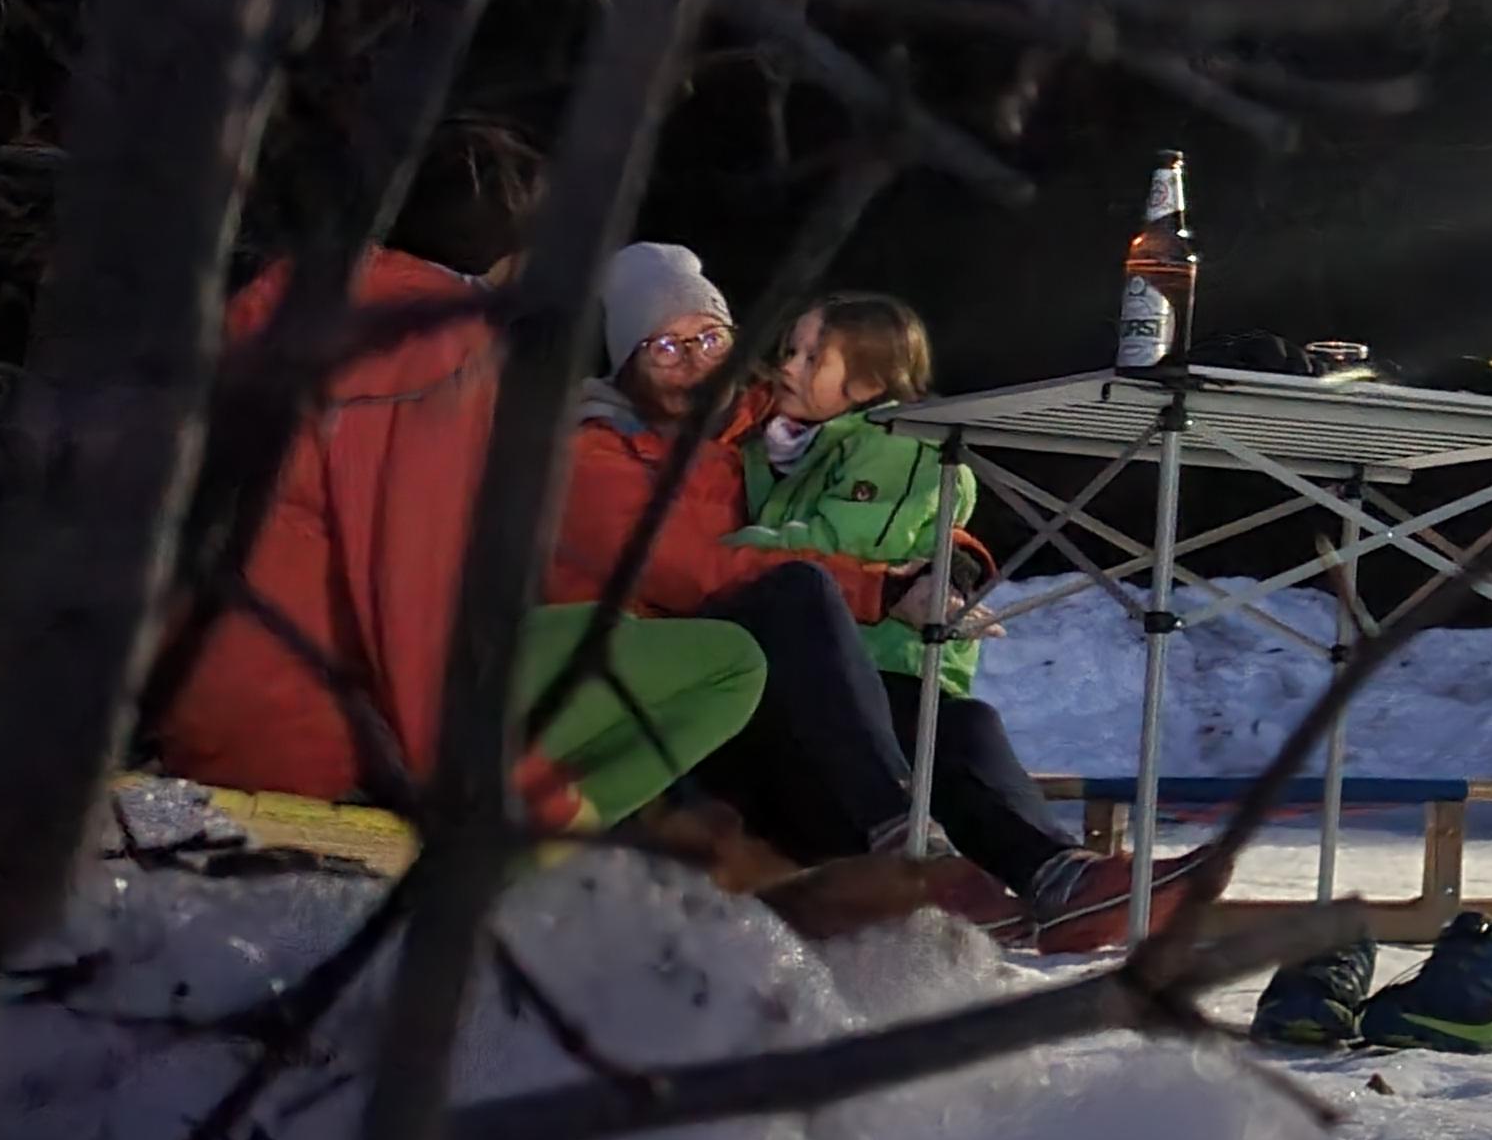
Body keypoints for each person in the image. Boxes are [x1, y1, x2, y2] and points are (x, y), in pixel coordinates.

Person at [149, 125, 767, 833]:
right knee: (731, 665)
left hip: (196, 686)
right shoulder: (436, 347)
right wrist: (534, 791)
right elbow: (408, 593)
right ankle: (526, 850)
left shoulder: (289, 301)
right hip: (309, 724)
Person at [555, 246, 1153, 949]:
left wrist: (948, 560)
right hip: (674, 738)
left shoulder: (765, 428)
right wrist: (881, 587)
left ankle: (1059, 876)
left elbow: (889, 478)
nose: (695, 360)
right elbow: (700, 573)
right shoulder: (591, 461)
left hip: (775, 720)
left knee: (950, 720)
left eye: (709, 337)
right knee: (795, 593)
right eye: (663, 347)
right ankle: (903, 843)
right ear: (624, 366)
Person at [736, 293, 1113, 927]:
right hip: (846, 682)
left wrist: (734, 550)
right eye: (788, 352)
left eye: (811, 357)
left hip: (887, 662)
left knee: (956, 729)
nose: (788, 368)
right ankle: (1045, 873)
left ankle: (1060, 876)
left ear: (870, 381)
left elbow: (843, 543)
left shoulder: (899, 445)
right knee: (951, 731)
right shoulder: (797, 450)